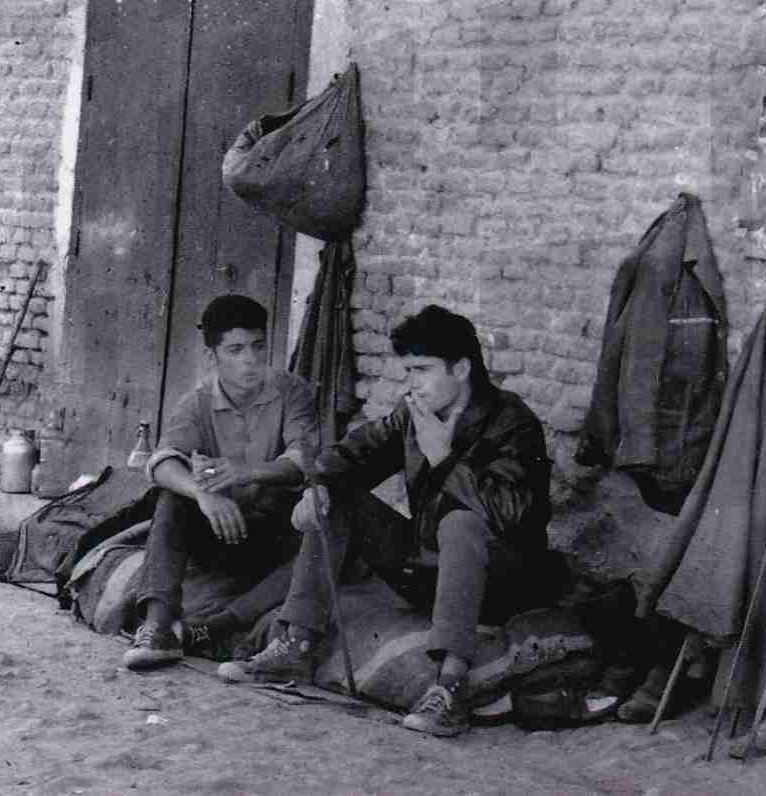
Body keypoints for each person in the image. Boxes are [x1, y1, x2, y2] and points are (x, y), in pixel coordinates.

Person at [219, 305, 554, 739]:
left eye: (423, 370)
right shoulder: (413, 412)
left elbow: (508, 513)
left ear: (461, 368)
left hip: (500, 584)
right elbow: (354, 453)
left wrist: (444, 458)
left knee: (461, 522)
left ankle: (450, 689)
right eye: (408, 371)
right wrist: (319, 486)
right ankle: (296, 644)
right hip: (427, 571)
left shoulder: (515, 424)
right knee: (338, 498)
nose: (412, 382)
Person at [122, 294, 316, 671]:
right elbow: (161, 462)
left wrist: (246, 471)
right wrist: (202, 495)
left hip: (275, 535)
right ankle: (158, 627)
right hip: (220, 532)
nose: (250, 360)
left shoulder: (292, 391)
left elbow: (304, 461)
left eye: (258, 346)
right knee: (171, 500)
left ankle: (213, 629)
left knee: (323, 532)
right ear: (212, 357)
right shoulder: (197, 402)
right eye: (235, 350)